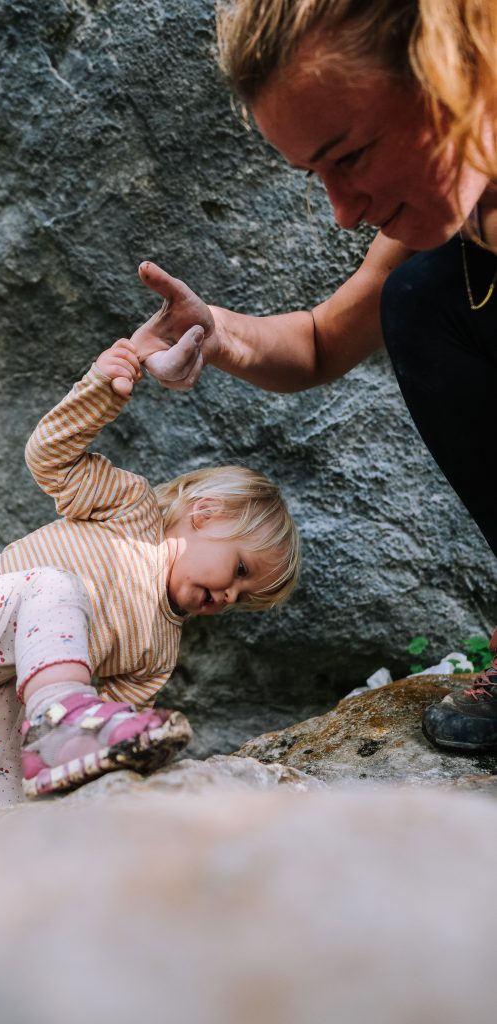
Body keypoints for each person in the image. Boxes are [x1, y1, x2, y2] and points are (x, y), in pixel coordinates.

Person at [128, 0, 497, 754]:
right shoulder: (462, 224)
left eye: (350, 156)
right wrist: (212, 330)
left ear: (452, 74)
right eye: (315, 175)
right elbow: (323, 340)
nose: (339, 211)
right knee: (419, 297)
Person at [0, 330, 300, 860]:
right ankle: (60, 716)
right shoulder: (130, 508)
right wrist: (105, 386)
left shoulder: (157, 655)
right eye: (239, 568)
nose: (229, 595)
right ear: (205, 513)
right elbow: (50, 456)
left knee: (1, 828)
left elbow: (103, 743)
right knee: (56, 586)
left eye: (244, 598)